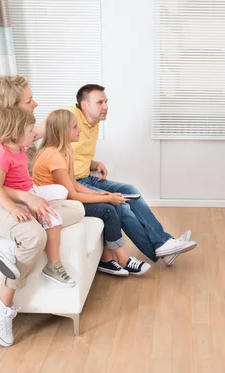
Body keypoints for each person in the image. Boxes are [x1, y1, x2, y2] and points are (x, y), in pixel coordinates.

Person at [0, 75, 85, 347]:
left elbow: (41, 132)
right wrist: (25, 198)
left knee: (75, 209)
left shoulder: (14, 130)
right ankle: (1, 302)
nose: (35, 103)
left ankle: (7, 242)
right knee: (35, 235)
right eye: (29, 100)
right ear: (10, 106)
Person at [60, 84, 197, 267]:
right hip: (75, 183)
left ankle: (164, 247)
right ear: (84, 105)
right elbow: (50, 131)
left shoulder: (94, 125)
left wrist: (95, 163)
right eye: (100, 102)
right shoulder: (70, 114)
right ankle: (162, 245)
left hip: (89, 178)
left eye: (106, 102)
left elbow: (75, 155)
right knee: (122, 207)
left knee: (130, 190)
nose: (106, 106)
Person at [32, 109, 151, 276]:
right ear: (62, 131)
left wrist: (101, 194)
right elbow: (72, 194)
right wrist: (107, 198)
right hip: (55, 204)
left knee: (110, 203)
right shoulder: (53, 156)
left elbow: (73, 183)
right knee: (108, 209)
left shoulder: (66, 151)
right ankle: (121, 258)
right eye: (74, 127)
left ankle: (107, 259)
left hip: (66, 197)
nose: (79, 130)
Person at [0, 106, 75, 288]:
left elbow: (41, 132)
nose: (34, 133)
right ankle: (54, 265)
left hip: (32, 190)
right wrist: (13, 209)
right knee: (54, 219)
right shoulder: (2, 157)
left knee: (62, 191)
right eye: (30, 130)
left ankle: (41, 210)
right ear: (16, 133)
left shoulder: (20, 147)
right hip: (21, 199)